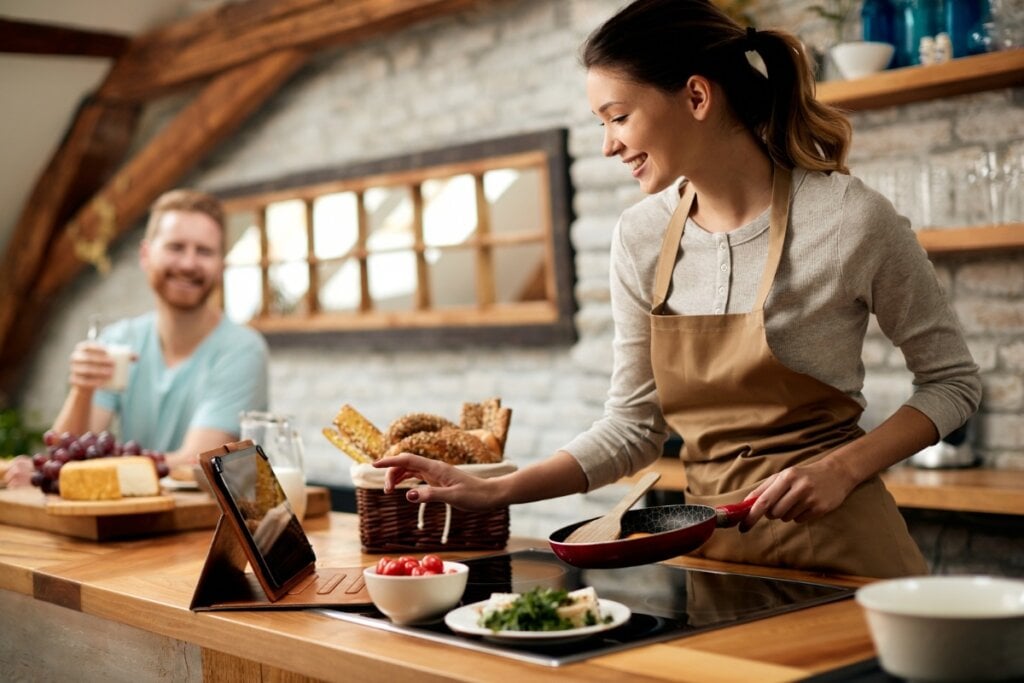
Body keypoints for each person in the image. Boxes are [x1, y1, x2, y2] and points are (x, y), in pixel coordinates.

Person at [373, 0, 981, 578]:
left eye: (618, 117)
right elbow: (634, 429)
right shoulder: (641, 237)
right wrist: (498, 489)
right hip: (713, 560)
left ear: (696, 96)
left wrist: (844, 467)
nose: (608, 143)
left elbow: (953, 382)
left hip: (847, 555)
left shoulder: (850, 219)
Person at [5, 189, 269, 485]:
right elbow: (63, 457)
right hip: (127, 522)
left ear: (221, 264)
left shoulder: (242, 350)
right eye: (176, 247)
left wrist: (90, 469)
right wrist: (82, 389)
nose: (188, 263)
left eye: (204, 251)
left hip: (206, 525)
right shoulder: (119, 341)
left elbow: (195, 463)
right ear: (146, 255)